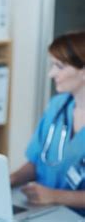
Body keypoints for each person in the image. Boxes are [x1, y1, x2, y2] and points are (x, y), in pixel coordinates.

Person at [10, 31, 85, 217]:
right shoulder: (57, 106)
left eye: (59, 66)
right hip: (43, 209)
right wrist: (10, 179)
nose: (52, 74)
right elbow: (37, 163)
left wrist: (55, 196)